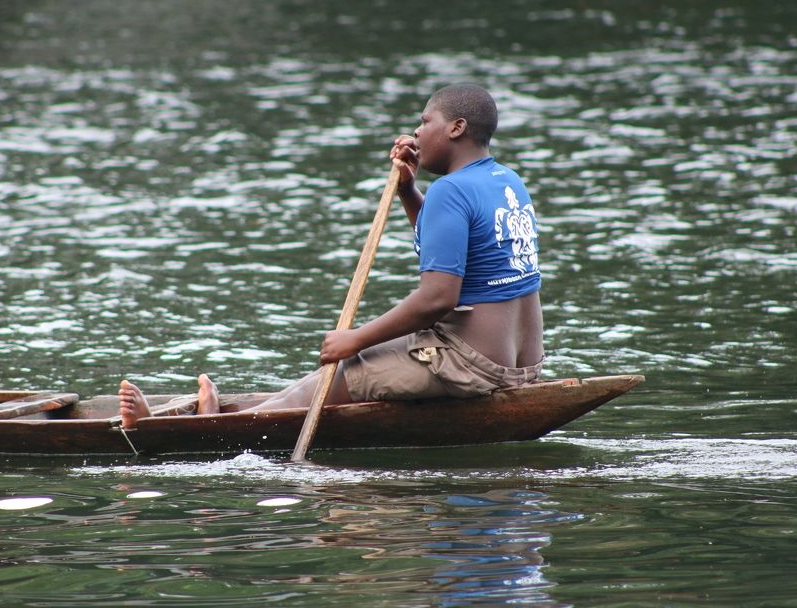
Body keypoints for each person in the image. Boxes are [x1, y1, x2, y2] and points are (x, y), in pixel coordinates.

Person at [119, 83, 544, 428]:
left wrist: (354, 339)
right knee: (325, 376)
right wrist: (408, 192)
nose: (416, 132)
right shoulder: (505, 180)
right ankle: (222, 417)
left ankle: (193, 433)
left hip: (468, 363)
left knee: (341, 370)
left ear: (456, 128)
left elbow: (438, 299)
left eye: (424, 121)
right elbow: (452, 248)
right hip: (519, 362)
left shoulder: (451, 191)